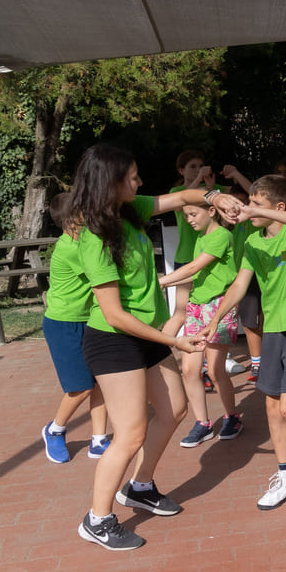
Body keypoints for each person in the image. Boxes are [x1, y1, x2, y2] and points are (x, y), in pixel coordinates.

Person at [71, 143, 218, 551]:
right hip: (114, 340)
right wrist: (174, 340)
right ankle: (97, 519)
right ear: (110, 183)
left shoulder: (130, 211)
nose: (139, 181)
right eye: (132, 176)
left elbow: (186, 195)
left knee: (173, 408)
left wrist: (214, 196)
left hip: (145, 334)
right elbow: (115, 314)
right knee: (131, 432)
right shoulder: (95, 237)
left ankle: (139, 486)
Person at [202, 174, 286, 513]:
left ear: (277, 207)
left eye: (256, 205)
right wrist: (214, 320)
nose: (247, 209)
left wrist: (267, 212)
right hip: (273, 329)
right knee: (272, 407)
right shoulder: (252, 243)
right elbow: (240, 286)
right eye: (248, 203)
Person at [157, 201, 242, 446]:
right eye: (186, 215)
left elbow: (194, 266)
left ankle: (232, 417)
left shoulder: (221, 236)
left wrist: (161, 282)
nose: (189, 219)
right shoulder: (200, 238)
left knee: (215, 370)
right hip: (196, 306)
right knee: (189, 369)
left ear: (212, 211)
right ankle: (203, 424)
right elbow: (195, 273)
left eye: (194, 214)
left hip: (220, 306)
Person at [40, 193, 109, 463]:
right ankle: (55, 430)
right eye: (84, 212)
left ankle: (99, 440)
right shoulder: (70, 247)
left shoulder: (84, 240)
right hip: (63, 324)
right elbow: (102, 271)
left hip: (88, 319)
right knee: (80, 388)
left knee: (100, 380)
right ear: (71, 221)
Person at [161, 151, 215, 364]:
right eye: (193, 166)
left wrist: (210, 186)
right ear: (181, 170)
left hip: (208, 256)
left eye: (200, 165)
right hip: (187, 257)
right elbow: (183, 198)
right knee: (181, 313)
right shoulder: (178, 191)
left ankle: (209, 361)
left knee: (209, 310)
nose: (198, 169)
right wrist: (198, 179)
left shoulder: (203, 191)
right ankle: (162, 354)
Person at [221, 181, 264, 382]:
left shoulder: (252, 221)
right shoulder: (227, 226)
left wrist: (237, 175)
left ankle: (258, 364)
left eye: (243, 202)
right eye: (234, 203)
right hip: (233, 277)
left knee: (250, 323)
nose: (238, 207)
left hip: (252, 276)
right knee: (233, 322)